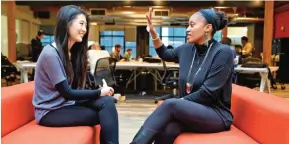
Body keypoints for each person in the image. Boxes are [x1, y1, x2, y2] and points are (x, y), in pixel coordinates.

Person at [130, 7, 234, 144]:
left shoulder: (223, 52)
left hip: (216, 114)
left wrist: (178, 104)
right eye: (188, 25)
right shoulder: (187, 49)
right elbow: (165, 53)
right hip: (190, 110)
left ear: (207, 28)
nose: (187, 29)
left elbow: (208, 93)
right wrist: (153, 33)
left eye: (192, 25)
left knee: (169, 104)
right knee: (168, 129)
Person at [32, 5, 119, 144]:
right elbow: (67, 93)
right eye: (81, 24)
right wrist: (98, 92)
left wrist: (101, 92)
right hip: (49, 112)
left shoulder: (72, 53)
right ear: (67, 24)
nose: (84, 29)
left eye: (86, 25)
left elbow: (74, 90)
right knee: (105, 113)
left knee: (108, 102)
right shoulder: (50, 53)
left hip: (65, 104)